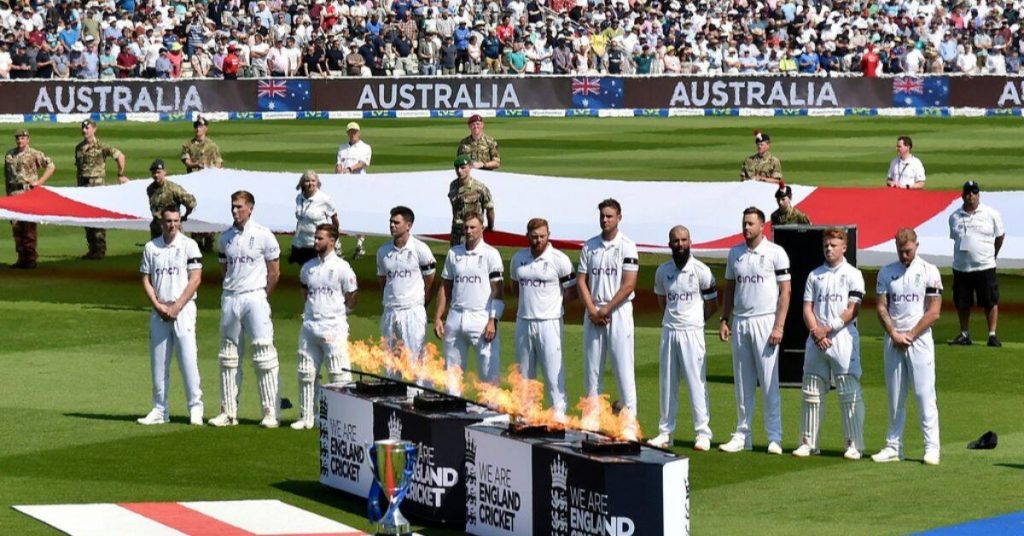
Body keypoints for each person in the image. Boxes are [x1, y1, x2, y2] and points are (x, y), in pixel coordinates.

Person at [718, 207, 791, 454]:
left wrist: (779, 325)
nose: (746, 227)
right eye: (744, 223)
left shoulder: (776, 253)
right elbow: (729, 288)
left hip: (765, 322)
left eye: (750, 223)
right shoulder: (735, 253)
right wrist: (724, 319)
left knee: (769, 380)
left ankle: (774, 437)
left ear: (762, 226)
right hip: (740, 322)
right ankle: (742, 435)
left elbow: (786, 292)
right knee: (742, 381)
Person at [209, 191, 282, 428]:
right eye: (232, 206)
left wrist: (261, 296)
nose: (234, 211)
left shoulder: (264, 235)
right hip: (231, 297)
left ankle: (270, 412)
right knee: (228, 355)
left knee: (263, 353)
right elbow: (224, 270)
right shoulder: (225, 237)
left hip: (255, 297)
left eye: (239, 207)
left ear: (250, 208)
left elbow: (274, 272)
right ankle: (228, 412)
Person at [793, 227, 866, 460]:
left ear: (844, 247)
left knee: (847, 390)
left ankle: (854, 444)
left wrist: (828, 328)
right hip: (816, 338)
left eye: (833, 245)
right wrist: (816, 331)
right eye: (826, 245)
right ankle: (808, 442)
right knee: (811, 389)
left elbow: (853, 310)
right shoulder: (815, 275)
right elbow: (806, 308)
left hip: (842, 337)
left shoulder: (853, 274)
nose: (829, 248)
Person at [872, 228, 942, 466]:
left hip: (919, 339)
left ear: (916, 245)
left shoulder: (929, 271)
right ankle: (893, 446)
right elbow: (881, 306)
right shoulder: (886, 272)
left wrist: (910, 334)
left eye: (908, 251)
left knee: (924, 394)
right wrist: (893, 333)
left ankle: (931, 447)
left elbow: (934, 311)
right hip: (893, 340)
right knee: (894, 395)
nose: (904, 256)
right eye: (901, 252)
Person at [648, 225, 718, 451]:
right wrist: (673, 320)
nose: (680, 244)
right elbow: (662, 302)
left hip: (693, 332)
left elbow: (712, 305)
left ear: (690, 242)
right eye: (676, 241)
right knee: (667, 382)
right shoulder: (662, 271)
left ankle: (703, 433)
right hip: (669, 330)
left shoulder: (701, 271)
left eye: (684, 240)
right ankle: (665, 432)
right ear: (670, 244)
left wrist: (696, 322)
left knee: (696, 382)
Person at [577, 198, 639, 438]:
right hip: (593, 312)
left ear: (619, 217)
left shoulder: (627, 246)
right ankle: (592, 420)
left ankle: (629, 424)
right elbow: (582, 280)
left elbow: (629, 284)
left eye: (610, 216)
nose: (605, 220)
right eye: (602, 216)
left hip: (619, 311)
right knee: (592, 369)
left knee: (623, 368)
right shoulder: (590, 246)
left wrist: (606, 310)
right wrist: (593, 309)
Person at [138, 206, 204, 426]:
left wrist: (177, 306)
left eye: (176, 221)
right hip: (160, 311)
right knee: (159, 362)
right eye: (168, 221)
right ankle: (160, 409)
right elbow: (146, 279)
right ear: (161, 222)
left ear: (180, 221)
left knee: (188, 359)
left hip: (183, 310)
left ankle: (195, 407)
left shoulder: (189, 245)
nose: (172, 225)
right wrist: (157, 305)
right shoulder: (151, 247)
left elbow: (195, 279)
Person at [510, 217, 577, 419]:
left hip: (550, 322)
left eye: (542, 236)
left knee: (553, 370)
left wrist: (554, 305)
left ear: (548, 235)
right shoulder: (518, 258)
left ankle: (558, 412)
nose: (538, 240)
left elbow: (572, 292)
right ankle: (526, 412)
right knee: (525, 371)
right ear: (527, 237)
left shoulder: (559, 259)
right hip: (524, 320)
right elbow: (516, 288)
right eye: (534, 237)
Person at [293, 223, 358, 429]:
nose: (315, 242)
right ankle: (307, 417)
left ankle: (341, 418)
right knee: (305, 372)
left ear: (332, 241)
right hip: (310, 325)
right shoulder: (308, 267)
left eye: (320, 238)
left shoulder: (342, 267)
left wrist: (340, 314)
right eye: (315, 238)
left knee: (338, 374)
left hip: (333, 327)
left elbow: (352, 295)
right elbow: (305, 291)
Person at [434, 213, 504, 395]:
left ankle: (489, 413)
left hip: (481, 317)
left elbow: (498, 290)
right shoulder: (453, 253)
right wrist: (438, 316)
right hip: (455, 316)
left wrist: (493, 320)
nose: (469, 231)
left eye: (473, 227)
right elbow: (445, 286)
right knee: (452, 371)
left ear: (482, 228)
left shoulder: (491, 254)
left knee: (488, 370)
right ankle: (452, 408)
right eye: (466, 227)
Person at [377, 206, 436, 367]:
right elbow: (383, 280)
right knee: (391, 361)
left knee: (415, 360)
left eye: (396, 222)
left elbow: (430, 278)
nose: (392, 226)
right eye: (390, 222)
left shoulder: (420, 249)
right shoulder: (383, 251)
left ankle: (417, 391)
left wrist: (422, 301)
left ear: (408, 225)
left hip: (412, 311)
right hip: (390, 311)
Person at [948, 181, 1005, 347]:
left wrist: (992, 255)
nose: (970, 196)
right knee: (962, 302)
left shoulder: (991, 214)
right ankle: (964, 333)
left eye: (974, 192)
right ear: (962, 195)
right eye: (968, 193)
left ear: (978, 195)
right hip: (961, 266)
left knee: (990, 301)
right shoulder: (954, 217)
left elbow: (1000, 237)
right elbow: (955, 238)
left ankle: (992, 334)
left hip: (984, 265)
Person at [75, 118, 127, 260]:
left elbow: (120, 156)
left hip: (96, 185)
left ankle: (100, 250)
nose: (85, 130)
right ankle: (92, 249)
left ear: (94, 129)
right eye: (83, 128)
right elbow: (79, 169)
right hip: (83, 186)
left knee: (97, 217)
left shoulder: (102, 146)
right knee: (86, 218)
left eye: (88, 128)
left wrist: (121, 174)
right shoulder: (79, 148)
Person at [4, 128, 55, 269]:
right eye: (18, 138)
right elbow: (7, 177)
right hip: (14, 193)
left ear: (28, 139)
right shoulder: (9, 155)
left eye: (22, 138)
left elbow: (51, 166)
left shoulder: (34, 154)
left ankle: (30, 259)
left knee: (29, 227)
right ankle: (21, 258)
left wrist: (39, 183)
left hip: (28, 193)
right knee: (16, 227)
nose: (20, 140)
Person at [180, 116, 222, 252]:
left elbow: (218, 163)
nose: (198, 128)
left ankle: (209, 238)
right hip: (194, 184)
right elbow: (186, 161)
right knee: (194, 210)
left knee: (208, 210)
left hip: (209, 185)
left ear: (206, 128)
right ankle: (196, 240)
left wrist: (213, 172)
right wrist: (195, 164)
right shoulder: (188, 145)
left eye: (200, 126)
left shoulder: (212, 146)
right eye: (196, 126)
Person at [335, 122, 372, 258]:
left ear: (359, 133)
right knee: (337, 213)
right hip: (343, 185)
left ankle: (360, 243)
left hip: (359, 185)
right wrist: (339, 170)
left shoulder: (365, 147)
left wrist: (349, 169)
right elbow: (338, 164)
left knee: (359, 213)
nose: (353, 134)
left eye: (355, 131)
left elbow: (362, 163)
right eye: (351, 131)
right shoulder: (342, 148)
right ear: (347, 133)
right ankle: (337, 244)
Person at [290, 170, 340, 266]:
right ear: (302, 183)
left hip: (316, 244)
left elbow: (335, 219)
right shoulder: (299, 198)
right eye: (307, 181)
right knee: (301, 273)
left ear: (317, 182)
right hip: (300, 243)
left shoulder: (324, 199)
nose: (310, 183)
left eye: (313, 181)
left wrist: (334, 238)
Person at [448, 155, 495, 246]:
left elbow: (490, 209)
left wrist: (490, 226)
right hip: (457, 232)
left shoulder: (479, 187)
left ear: (470, 167)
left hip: (473, 232)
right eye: (457, 168)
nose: (459, 171)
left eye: (462, 168)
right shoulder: (453, 185)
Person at [145, 159, 196, 239]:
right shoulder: (150, 189)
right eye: (154, 173)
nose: (156, 175)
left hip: (172, 228)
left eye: (158, 172)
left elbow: (191, 202)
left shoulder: (173, 188)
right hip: (157, 228)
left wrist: (185, 216)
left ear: (164, 172)